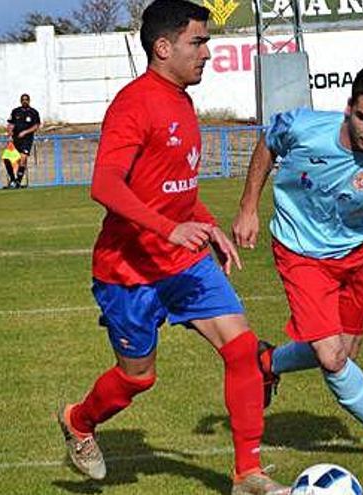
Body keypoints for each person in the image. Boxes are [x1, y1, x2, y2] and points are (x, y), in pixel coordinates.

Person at [55, 2, 288, 494]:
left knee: (242, 348)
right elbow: (105, 184)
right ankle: (79, 421)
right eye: (198, 42)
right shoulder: (134, 103)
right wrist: (167, 228)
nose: (208, 52)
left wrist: (207, 225)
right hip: (127, 269)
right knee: (138, 378)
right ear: (163, 48)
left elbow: (175, 187)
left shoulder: (182, 99)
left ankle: (248, 472)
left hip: (183, 262)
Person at [233, 65, 363, 463]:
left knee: (344, 353)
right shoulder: (304, 126)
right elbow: (268, 143)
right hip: (299, 251)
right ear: (348, 107)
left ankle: (267, 361)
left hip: (351, 256)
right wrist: (249, 207)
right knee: (332, 358)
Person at [4, 93, 40, 188]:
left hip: (27, 140)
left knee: (23, 158)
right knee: (6, 158)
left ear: (29, 100)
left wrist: (25, 132)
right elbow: (10, 124)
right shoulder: (16, 111)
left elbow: (36, 126)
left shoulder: (33, 112)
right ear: (21, 101)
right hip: (15, 139)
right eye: (23, 99)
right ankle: (12, 179)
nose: (25, 101)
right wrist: (10, 133)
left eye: (26, 99)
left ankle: (18, 182)